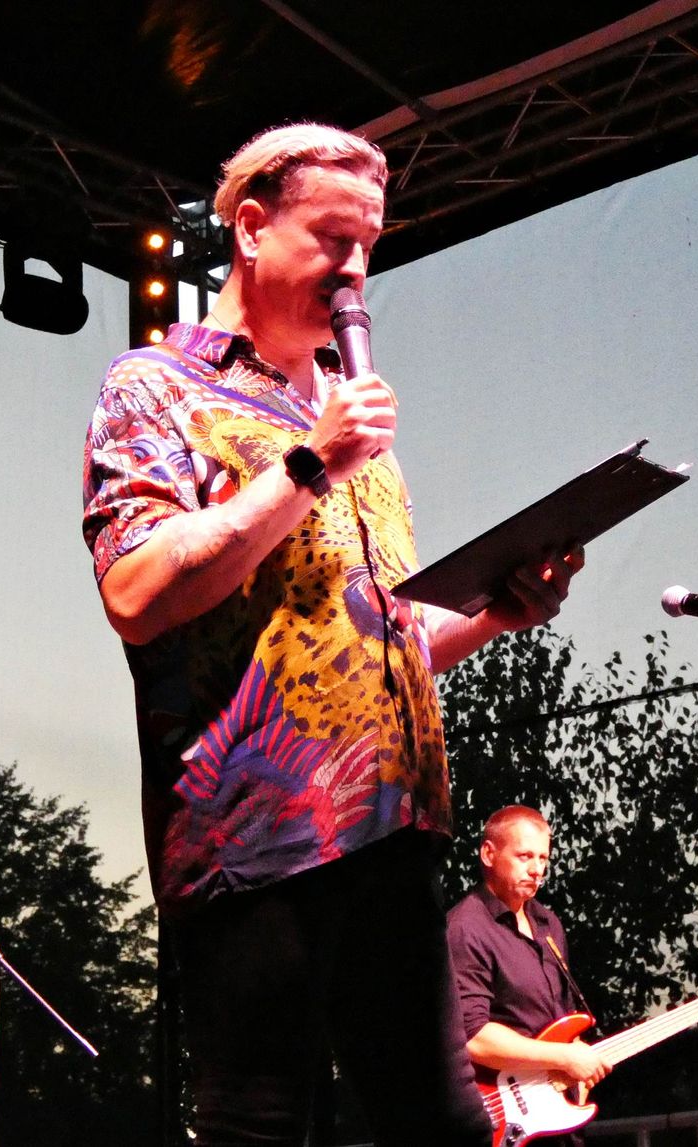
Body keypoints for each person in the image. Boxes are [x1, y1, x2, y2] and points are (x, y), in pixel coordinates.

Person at [81, 123, 583, 1146]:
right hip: (254, 841)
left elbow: (380, 636)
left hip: (391, 833)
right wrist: (309, 465)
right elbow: (135, 589)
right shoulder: (156, 387)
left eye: (370, 247)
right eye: (332, 240)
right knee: (259, 1128)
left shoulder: (354, 426)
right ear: (250, 228)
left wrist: (498, 610)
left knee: (442, 1126)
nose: (356, 272)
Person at [447, 806, 612, 1146]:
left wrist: (576, 1063)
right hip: (500, 1121)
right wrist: (564, 1058)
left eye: (543, 858)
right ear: (488, 854)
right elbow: (473, 1036)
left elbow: (561, 1019)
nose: (537, 870)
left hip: (553, 1119)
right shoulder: (466, 928)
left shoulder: (548, 924)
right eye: (524, 856)